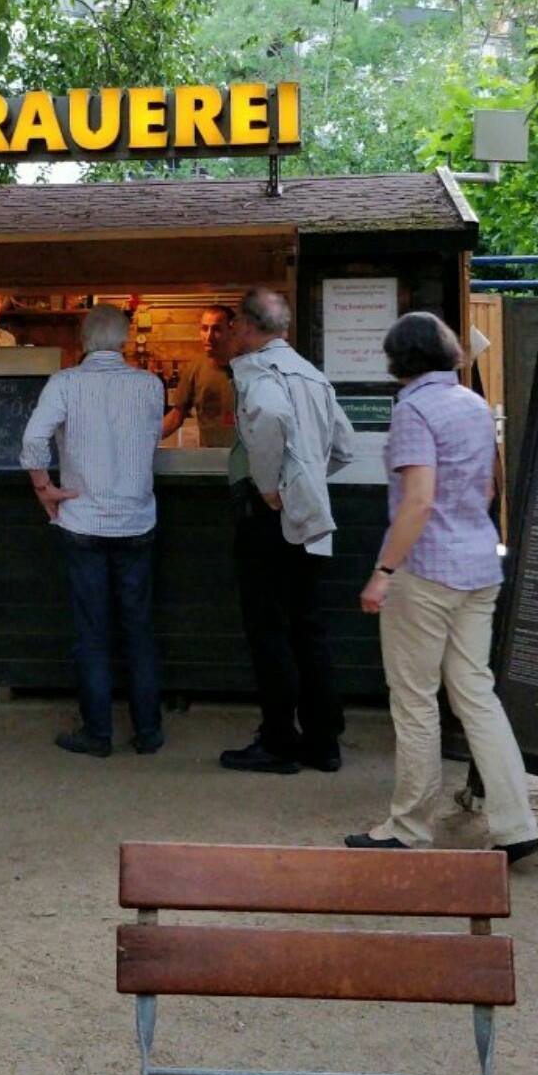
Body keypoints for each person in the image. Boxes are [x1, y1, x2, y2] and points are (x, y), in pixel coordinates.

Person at [344, 310, 538, 863]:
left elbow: (418, 500)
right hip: (478, 566)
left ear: (396, 358)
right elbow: (486, 488)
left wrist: (383, 572)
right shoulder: (473, 405)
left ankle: (408, 825)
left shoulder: (412, 409)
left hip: (424, 571)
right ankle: (515, 822)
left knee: (414, 699)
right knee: (476, 694)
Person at [220, 287, 360, 774]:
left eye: (235, 321)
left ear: (251, 326)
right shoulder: (313, 374)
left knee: (268, 628)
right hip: (310, 518)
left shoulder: (258, 371)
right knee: (308, 626)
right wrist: (309, 481)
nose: (231, 330)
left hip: (269, 518)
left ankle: (279, 740)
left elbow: (271, 416)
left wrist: (268, 486)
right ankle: (324, 741)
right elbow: (345, 446)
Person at [20, 303, 166, 758]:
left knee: (92, 631)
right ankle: (148, 733)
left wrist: (45, 488)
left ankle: (98, 734)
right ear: (125, 339)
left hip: (82, 520)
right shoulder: (150, 384)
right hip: (136, 520)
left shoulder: (65, 383)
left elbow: (32, 441)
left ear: (83, 340)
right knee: (138, 629)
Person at [160, 305, 237, 446]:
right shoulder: (196, 367)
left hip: (247, 461)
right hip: (209, 459)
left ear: (232, 331)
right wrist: (145, 440)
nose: (209, 336)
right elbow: (176, 416)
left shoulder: (254, 367)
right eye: (204, 328)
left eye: (217, 329)